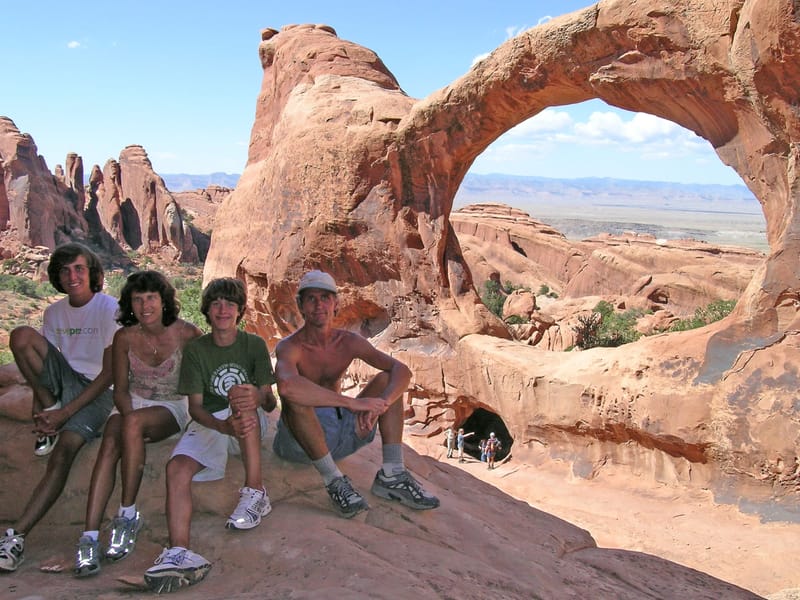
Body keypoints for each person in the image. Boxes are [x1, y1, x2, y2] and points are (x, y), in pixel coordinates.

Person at [143, 277, 277, 594]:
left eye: (230, 304)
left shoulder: (254, 345)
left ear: (240, 311)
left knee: (242, 397)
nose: (222, 309)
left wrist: (255, 398)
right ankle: (179, 552)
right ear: (207, 309)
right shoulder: (197, 350)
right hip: (213, 422)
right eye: (216, 303)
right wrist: (221, 427)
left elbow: (269, 400)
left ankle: (256, 492)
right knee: (176, 468)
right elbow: (196, 409)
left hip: (249, 417)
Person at [273, 270, 439, 518]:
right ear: (301, 306)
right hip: (301, 444)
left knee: (386, 380)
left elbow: (401, 370)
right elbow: (287, 387)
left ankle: (392, 473)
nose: (319, 305)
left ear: (336, 304)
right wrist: (352, 404)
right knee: (295, 396)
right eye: (311, 299)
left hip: (343, 435)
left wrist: (382, 403)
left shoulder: (348, 342)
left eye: (325, 298)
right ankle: (333, 480)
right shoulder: (290, 347)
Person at [73, 271, 203, 577]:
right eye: (137, 299)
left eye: (151, 298)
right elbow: (119, 389)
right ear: (130, 304)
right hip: (133, 402)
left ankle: (127, 515)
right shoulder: (125, 337)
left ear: (164, 300)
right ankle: (89, 537)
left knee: (129, 427)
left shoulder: (187, 333)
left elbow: (204, 376)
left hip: (171, 406)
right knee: (111, 441)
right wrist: (129, 415)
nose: (145, 305)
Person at [0, 243, 118, 572]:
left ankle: (16, 537)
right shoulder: (53, 313)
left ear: (93, 273)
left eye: (79, 268)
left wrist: (65, 415)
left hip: (100, 391)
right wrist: (45, 412)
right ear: (57, 276)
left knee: (64, 452)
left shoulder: (110, 308)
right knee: (21, 335)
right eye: (65, 271)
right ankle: (49, 420)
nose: (72, 276)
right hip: (66, 383)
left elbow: (110, 373)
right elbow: (44, 368)